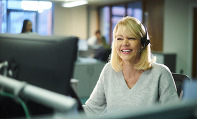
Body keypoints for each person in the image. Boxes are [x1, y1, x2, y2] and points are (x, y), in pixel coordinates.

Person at [82, 16, 180, 117]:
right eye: (119, 38)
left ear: (142, 43)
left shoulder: (160, 73)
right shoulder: (109, 70)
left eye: (131, 38)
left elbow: (175, 115)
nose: (124, 43)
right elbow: (92, 109)